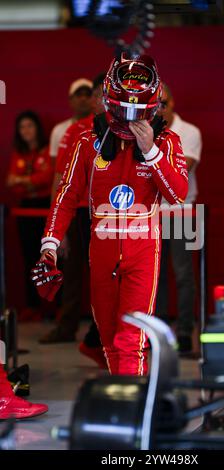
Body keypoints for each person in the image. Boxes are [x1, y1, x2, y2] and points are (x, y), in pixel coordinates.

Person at [33, 54, 188, 376]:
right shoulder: (87, 141)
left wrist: (151, 153)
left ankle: (133, 411)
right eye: (124, 108)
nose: (130, 117)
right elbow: (65, 196)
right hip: (101, 250)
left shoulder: (167, 141)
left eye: (139, 110)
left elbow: (177, 195)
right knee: (107, 338)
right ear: (108, 103)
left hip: (144, 249)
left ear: (154, 106)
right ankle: (123, 405)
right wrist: (50, 244)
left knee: (131, 339)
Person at [39, 74, 107, 369]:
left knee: (112, 279)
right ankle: (88, 336)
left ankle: (103, 339)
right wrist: (58, 231)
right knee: (82, 275)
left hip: (120, 216)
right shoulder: (77, 131)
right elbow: (60, 181)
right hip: (82, 213)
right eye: (102, 95)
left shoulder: (136, 128)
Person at [39, 78, 93, 343]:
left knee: (109, 274)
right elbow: (60, 176)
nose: (88, 100)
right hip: (77, 211)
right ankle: (67, 326)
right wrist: (56, 226)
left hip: (109, 211)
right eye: (81, 95)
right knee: (71, 270)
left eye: (91, 94)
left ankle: (105, 331)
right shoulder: (73, 131)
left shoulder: (124, 127)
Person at [155, 83, 202, 353]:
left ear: (172, 102)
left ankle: (185, 331)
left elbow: (183, 171)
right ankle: (158, 330)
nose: (161, 108)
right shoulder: (148, 130)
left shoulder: (190, 131)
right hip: (152, 211)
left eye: (165, 103)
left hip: (183, 210)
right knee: (155, 275)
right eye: (157, 104)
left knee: (183, 273)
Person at [7, 111, 53, 321]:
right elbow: (10, 183)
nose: (26, 131)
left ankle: (54, 306)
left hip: (46, 207)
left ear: (37, 128)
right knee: (29, 258)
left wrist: (24, 181)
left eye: (30, 126)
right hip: (25, 209)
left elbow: (48, 177)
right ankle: (32, 306)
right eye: (22, 127)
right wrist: (31, 183)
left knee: (51, 258)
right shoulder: (19, 153)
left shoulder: (47, 150)